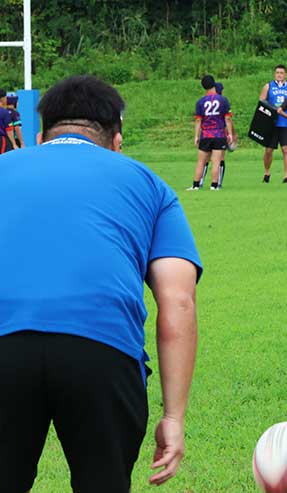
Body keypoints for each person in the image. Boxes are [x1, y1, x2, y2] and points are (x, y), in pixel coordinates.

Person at [0, 75, 201, 492]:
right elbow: (178, 301)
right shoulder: (150, 186)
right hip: (103, 351)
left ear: (41, 135)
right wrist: (174, 417)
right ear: (117, 141)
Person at [188, 74, 234, 191]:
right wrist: (230, 134)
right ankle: (214, 186)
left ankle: (195, 185)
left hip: (206, 134)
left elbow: (198, 120)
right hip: (219, 134)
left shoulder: (200, 102)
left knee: (201, 161)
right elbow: (227, 118)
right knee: (216, 161)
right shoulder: (223, 100)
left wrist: (196, 136)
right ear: (214, 84)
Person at [259, 64, 287, 183]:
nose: (279, 75)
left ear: (285, 74)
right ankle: (267, 172)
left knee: (286, 149)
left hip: (286, 122)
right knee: (269, 150)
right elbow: (261, 102)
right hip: (272, 123)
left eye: (281, 73)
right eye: (277, 73)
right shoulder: (268, 86)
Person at [0, 89, 17, 154]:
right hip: (2, 140)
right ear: (3, 99)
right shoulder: (4, 112)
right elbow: (9, 130)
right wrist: (14, 144)